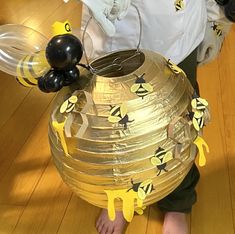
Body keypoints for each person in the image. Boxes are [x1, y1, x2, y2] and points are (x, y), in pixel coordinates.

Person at [77, 1, 233, 233]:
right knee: (113, 122)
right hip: (115, 30)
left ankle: (177, 201)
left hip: (181, 29)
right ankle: (120, 196)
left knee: (181, 119)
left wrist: (217, 17)